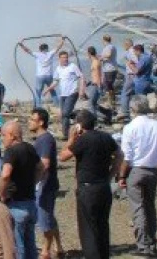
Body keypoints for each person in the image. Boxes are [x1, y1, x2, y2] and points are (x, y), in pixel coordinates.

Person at [58, 109, 121, 259]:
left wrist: (70, 139)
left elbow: (63, 156)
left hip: (88, 188)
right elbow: (120, 155)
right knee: (102, 226)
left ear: (79, 126)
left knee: (88, 230)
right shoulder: (106, 137)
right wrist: (111, 174)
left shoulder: (83, 140)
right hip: (104, 187)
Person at [118, 95, 157, 257]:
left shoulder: (130, 127)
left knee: (138, 209)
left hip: (136, 170)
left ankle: (143, 245)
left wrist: (121, 176)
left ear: (133, 109)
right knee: (150, 207)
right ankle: (152, 242)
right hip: (152, 170)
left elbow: (127, 157)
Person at [0, 120, 41, 259]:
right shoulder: (30, 148)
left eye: (4, 135)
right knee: (30, 243)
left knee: (17, 245)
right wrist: (33, 182)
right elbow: (41, 167)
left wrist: (1, 194)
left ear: (11, 135)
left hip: (16, 204)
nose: (2, 139)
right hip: (30, 202)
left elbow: (5, 174)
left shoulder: (11, 152)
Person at [29, 108, 64, 259]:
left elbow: (45, 164)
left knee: (43, 219)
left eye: (32, 119)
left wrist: (34, 182)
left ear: (41, 122)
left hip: (45, 185)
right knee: (48, 216)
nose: (29, 122)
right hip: (45, 184)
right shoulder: (41, 139)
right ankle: (59, 247)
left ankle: (45, 252)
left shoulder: (45, 139)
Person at [41, 50, 85, 140]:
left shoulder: (73, 66)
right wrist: (48, 89)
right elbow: (56, 81)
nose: (65, 59)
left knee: (65, 114)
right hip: (63, 95)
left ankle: (66, 134)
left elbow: (81, 77)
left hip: (72, 93)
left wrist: (81, 90)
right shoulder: (58, 69)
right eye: (63, 58)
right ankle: (78, 118)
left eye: (66, 57)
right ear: (59, 59)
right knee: (63, 114)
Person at [19, 39, 62, 109]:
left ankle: (39, 107)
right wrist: (62, 40)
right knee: (52, 90)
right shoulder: (50, 53)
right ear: (47, 49)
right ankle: (57, 106)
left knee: (38, 93)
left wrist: (21, 45)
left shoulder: (37, 54)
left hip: (40, 76)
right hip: (49, 76)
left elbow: (27, 50)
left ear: (40, 49)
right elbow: (58, 47)